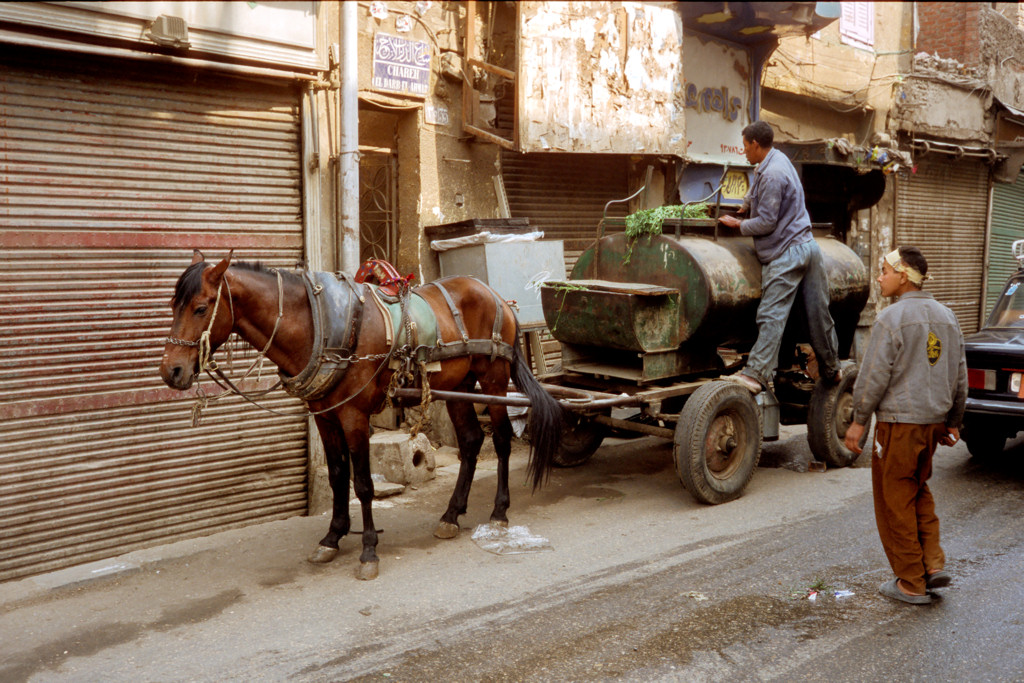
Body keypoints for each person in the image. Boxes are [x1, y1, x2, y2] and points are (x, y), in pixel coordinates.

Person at [843, 246, 967, 605]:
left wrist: (858, 422)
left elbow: (873, 376)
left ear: (904, 276)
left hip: (899, 425)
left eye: (884, 270)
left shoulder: (891, 319)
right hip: (933, 424)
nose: (880, 277)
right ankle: (931, 566)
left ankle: (911, 582)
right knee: (918, 490)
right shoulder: (948, 317)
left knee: (894, 499)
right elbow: (959, 373)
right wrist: (954, 421)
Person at [718, 120, 841, 394]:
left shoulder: (772, 173)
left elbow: (767, 223)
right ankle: (832, 369)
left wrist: (739, 225)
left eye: (745, 147)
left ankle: (757, 373)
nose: (744, 152)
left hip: (787, 252)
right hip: (808, 246)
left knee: (771, 314)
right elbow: (757, 189)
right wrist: (746, 204)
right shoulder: (777, 159)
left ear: (755, 145)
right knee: (819, 316)